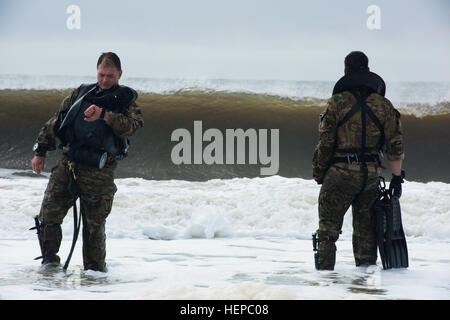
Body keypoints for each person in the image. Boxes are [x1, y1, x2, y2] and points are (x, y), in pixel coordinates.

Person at [31, 52, 144, 272]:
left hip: (99, 170)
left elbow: (132, 126)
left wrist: (105, 115)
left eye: (110, 76)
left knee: (94, 227)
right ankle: (50, 265)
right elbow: (57, 120)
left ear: (119, 74)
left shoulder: (126, 100)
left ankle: (94, 277)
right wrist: (41, 150)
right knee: (49, 214)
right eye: (101, 75)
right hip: (70, 164)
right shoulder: (81, 93)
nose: (104, 80)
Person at [312, 51, 405, 270]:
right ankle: (364, 288)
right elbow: (395, 145)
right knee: (366, 235)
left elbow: (325, 143)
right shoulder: (383, 105)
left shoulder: (336, 103)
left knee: (327, 234)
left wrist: (318, 172)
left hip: (340, 174)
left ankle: (324, 285)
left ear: (345, 72)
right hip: (370, 177)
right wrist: (397, 177)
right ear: (368, 70)